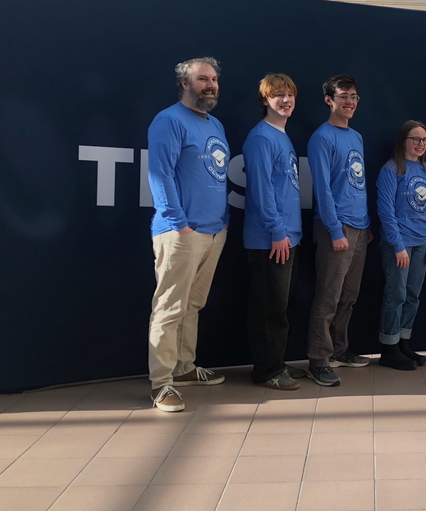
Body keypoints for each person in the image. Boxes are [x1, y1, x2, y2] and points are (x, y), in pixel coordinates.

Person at [146, 56, 229, 412]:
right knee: (169, 307)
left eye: (213, 79)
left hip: (213, 232)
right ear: (184, 83)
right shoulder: (168, 121)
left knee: (193, 305)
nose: (210, 85)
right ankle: (160, 383)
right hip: (180, 233)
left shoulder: (216, 125)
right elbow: (160, 175)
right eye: (202, 79)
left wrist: (220, 221)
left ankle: (183, 368)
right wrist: (178, 223)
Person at [307, 74, 372, 387]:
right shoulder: (322, 137)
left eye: (354, 97)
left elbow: (356, 184)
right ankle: (318, 360)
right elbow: (322, 188)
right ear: (329, 100)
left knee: (349, 296)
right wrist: (335, 231)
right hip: (336, 227)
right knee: (328, 298)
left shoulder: (356, 137)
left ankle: (340, 350)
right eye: (344, 96)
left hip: (360, 227)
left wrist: (367, 224)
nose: (350, 102)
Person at [242, 74, 304, 391]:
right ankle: (266, 370)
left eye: (289, 94)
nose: (285, 100)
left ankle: (276, 361)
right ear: (265, 100)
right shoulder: (261, 138)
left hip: (287, 237)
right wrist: (277, 231)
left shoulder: (281, 135)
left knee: (281, 307)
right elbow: (262, 192)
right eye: (277, 95)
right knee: (269, 309)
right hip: (270, 240)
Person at [376, 121, 426, 370]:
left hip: (422, 243)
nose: (421, 144)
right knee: (396, 295)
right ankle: (389, 348)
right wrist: (397, 245)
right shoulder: (392, 170)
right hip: (400, 245)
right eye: (416, 139)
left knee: (413, 296)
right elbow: (385, 211)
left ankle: (403, 342)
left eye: (425, 140)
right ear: (403, 140)